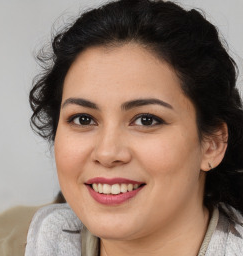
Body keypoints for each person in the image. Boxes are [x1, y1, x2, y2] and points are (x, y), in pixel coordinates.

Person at [25, 0, 243, 255]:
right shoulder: (32, 239)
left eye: (146, 120)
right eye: (83, 119)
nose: (107, 153)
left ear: (212, 145)